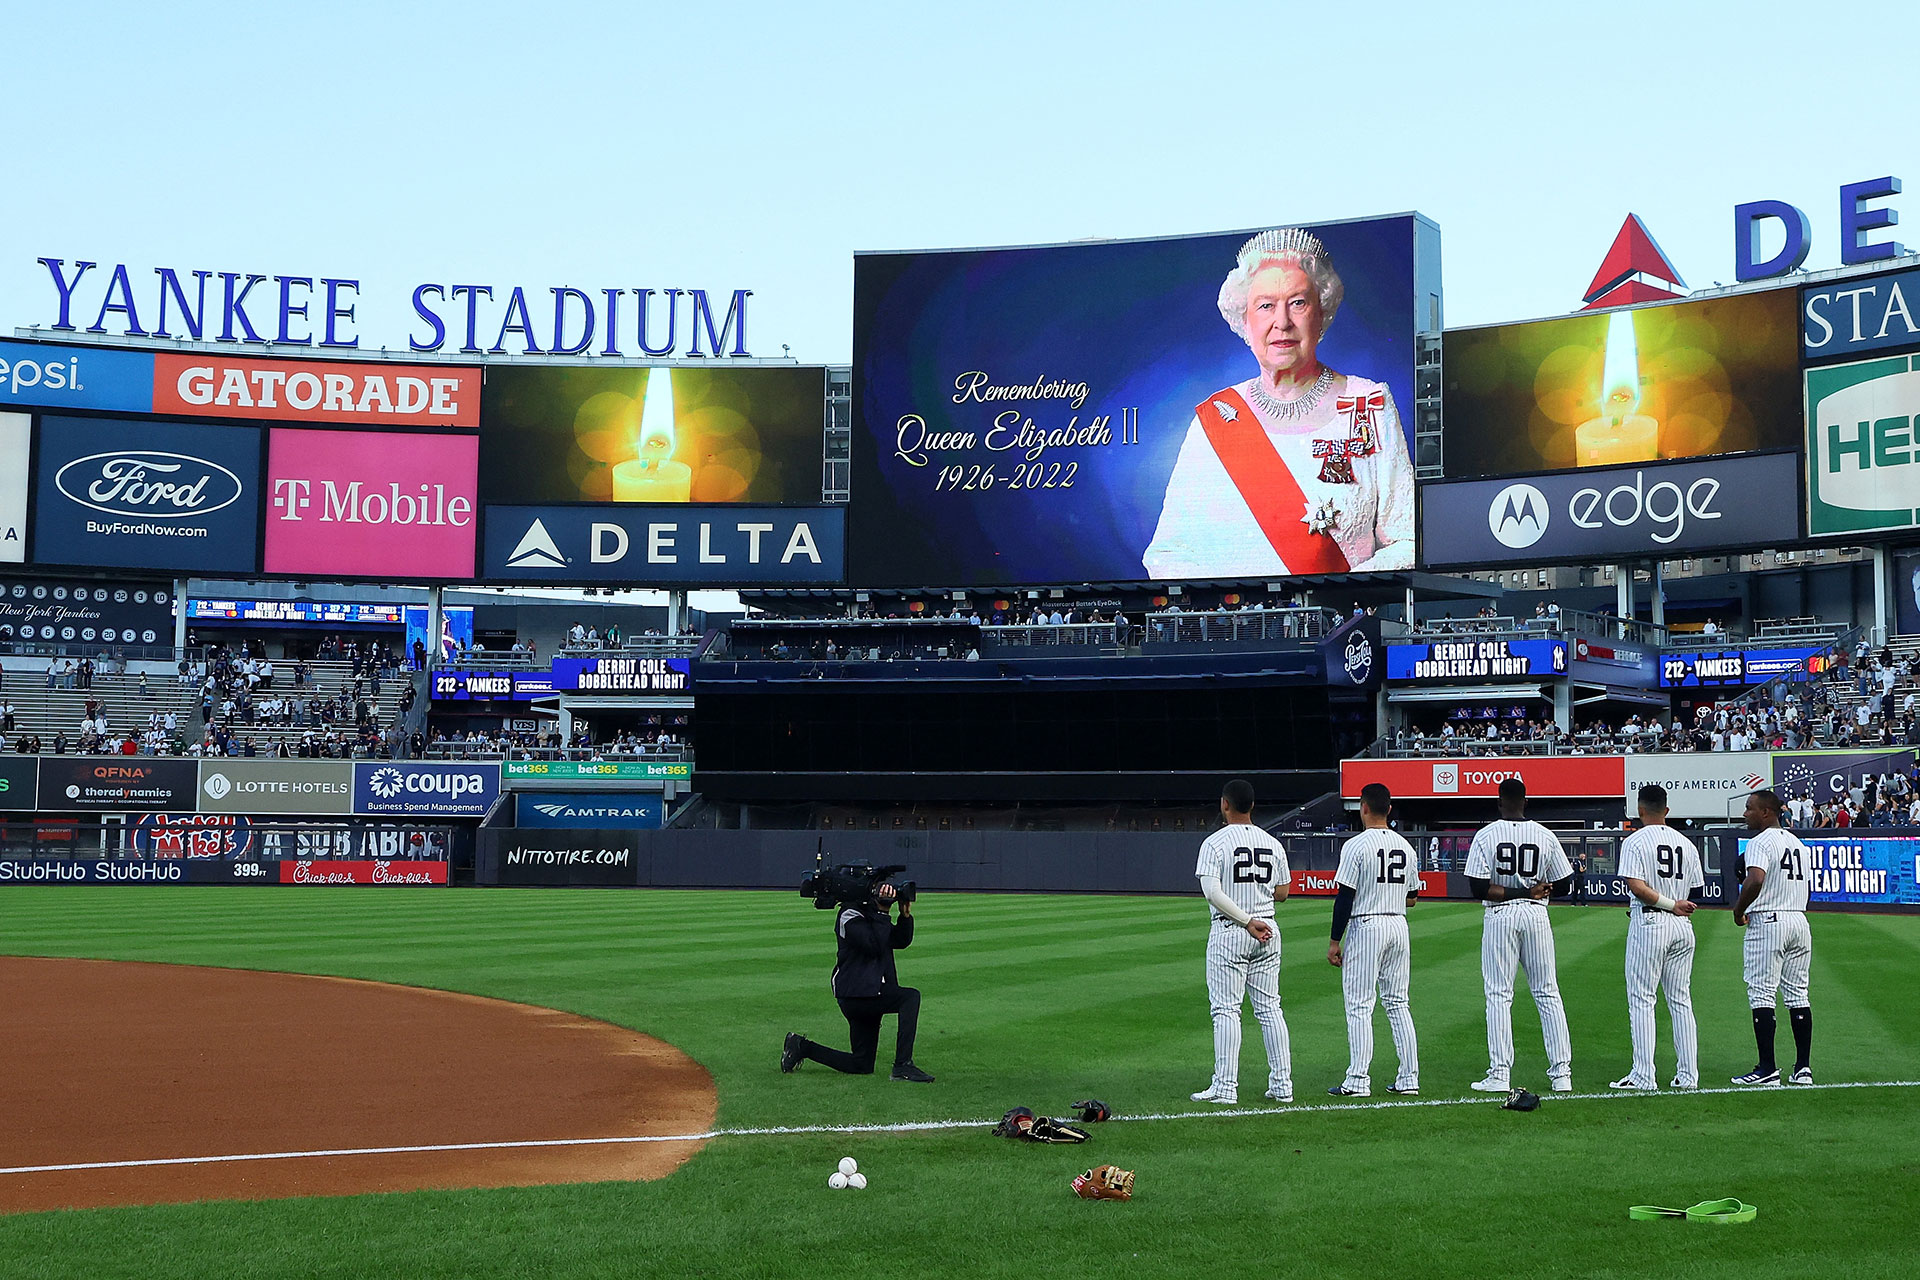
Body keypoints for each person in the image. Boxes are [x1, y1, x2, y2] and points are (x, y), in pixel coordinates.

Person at [1143, 227, 1414, 577]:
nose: (1281, 322)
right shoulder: (1216, 419)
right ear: (1245, 320)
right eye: (1266, 306)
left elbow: (1406, 542)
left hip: (1341, 623)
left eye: (1298, 303)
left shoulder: (1369, 402)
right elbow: (1169, 553)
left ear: (1322, 314)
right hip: (1237, 627)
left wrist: (1343, 592)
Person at [1464, 777, 1576, 1093]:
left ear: (1499, 802)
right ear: (1525, 802)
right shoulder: (1544, 834)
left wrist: (1521, 891)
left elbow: (1477, 888)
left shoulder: (1486, 835)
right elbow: (1566, 883)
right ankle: (1562, 1074)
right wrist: (1535, 890)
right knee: (1547, 992)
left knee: (1499, 995)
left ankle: (1500, 1074)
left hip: (1501, 914)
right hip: (1536, 914)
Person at [1190, 778, 1292, 1105]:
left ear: (1224, 804)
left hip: (1233, 930)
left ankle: (1225, 1086)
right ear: (1252, 806)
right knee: (1270, 1010)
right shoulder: (1272, 842)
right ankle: (1282, 1085)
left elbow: (1212, 892)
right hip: (1268, 931)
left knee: (1226, 1011)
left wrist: (1247, 921)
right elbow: (1283, 892)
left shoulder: (1215, 843)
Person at [780, 879, 934, 1083]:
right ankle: (902, 1066)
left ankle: (801, 1046)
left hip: (870, 991)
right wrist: (882, 912)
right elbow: (873, 945)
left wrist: (904, 916)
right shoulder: (848, 915)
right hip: (856, 993)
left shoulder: (871, 913)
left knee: (861, 1064)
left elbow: (899, 940)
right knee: (910, 997)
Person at [1609, 785, 1705, 1092]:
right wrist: (1676, 903)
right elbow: (1696, 889)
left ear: (1640, 811)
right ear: (1666, 810)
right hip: (1682, 927)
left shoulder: (1636, 840)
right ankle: (1688, 1077)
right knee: (1680, 1001)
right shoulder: (1686, 843)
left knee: (1642, 1000)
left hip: (1652, 922)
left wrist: (1667, 904)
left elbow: (1637, 886)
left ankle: (1643, 1075)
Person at [1326, 783, 1419, 1098]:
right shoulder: (1406, 847)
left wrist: (1334, 941)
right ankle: (1408, 1078)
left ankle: (1357, 1080)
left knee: (1359, 1006)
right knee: (1398, 1004)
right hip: (1398, 925)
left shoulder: (1356, 845)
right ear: (1389, 809)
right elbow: (1413, 898)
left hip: (1367, 926)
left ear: (1363, 807)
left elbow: (1344, 898)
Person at [1732, 790, 1815, 1086]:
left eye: (1749, 808)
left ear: (1766, 812)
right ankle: (1803, 1068)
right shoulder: (1798, 844)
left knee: (1762, 994)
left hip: (1769, 920)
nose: (1745, 814)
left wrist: (1739, 909)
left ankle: (1767, 1068)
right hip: (1799, 919)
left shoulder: (1759, 841)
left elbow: (1755, 878)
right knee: (1797, 994)